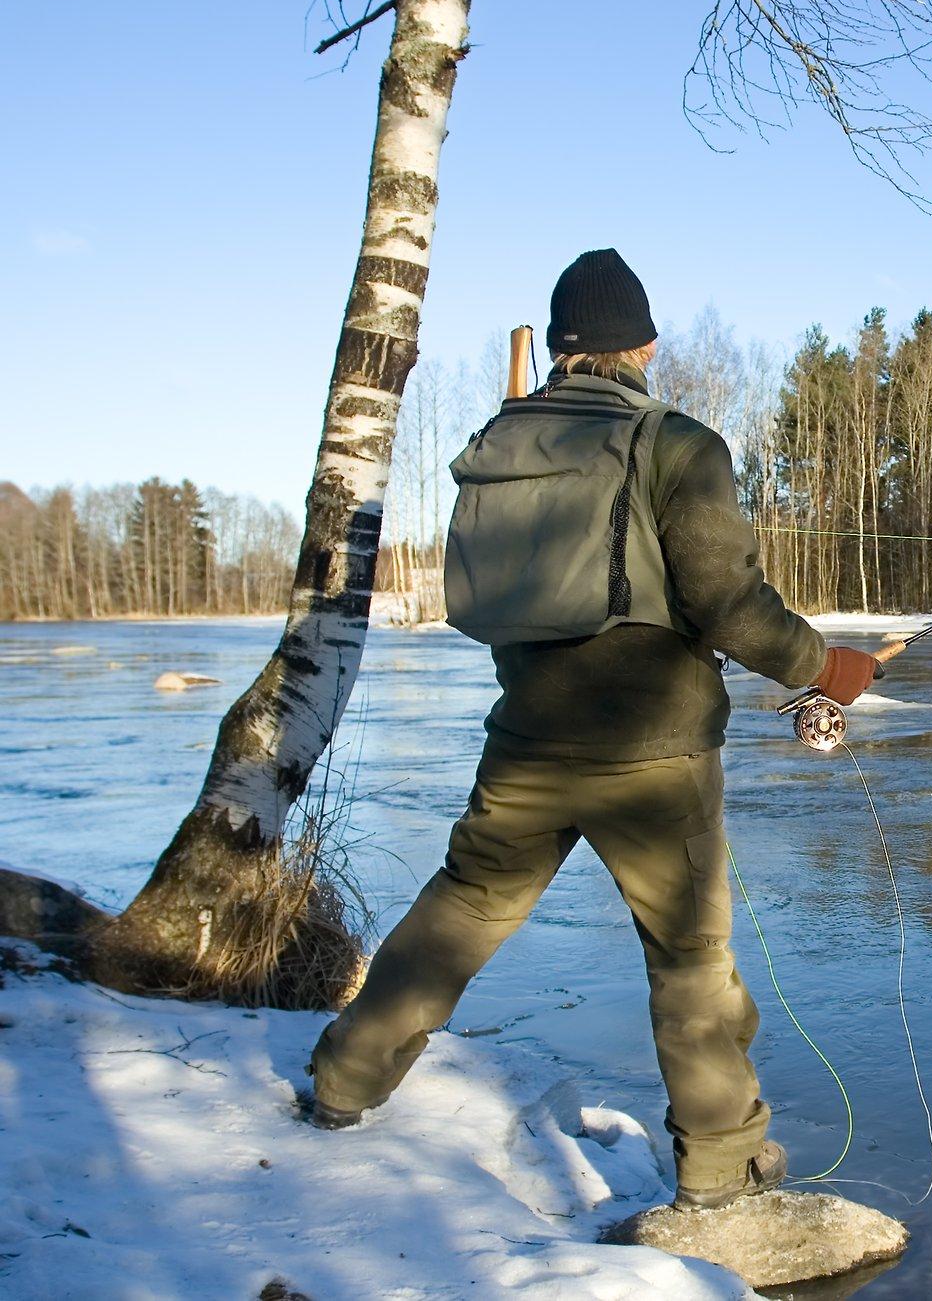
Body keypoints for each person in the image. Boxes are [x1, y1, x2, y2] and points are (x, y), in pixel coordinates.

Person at [308, 248, 881, 1211]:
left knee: (460, 912)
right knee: (690, 962)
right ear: (644, 346)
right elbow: (730, 607)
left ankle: (342, 1082)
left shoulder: (499, 442)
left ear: (561, 347)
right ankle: (721, 1165)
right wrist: (828, 668)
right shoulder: (679, 445)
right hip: (656, 757)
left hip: (526, 742)